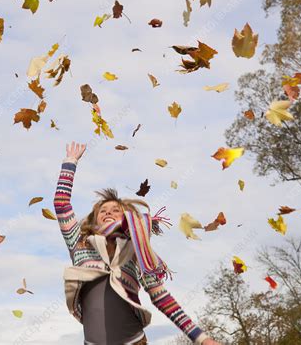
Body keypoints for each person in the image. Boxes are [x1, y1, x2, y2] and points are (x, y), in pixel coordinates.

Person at [54, 141, 221, 345]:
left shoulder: (136, 251)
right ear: (95, 219)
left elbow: (162, 299)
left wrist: (202, 338)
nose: (108, 213)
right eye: (103, 211)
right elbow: (61, 204)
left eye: (115, 210)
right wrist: (70, 162)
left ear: (126, 218)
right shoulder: (79, 242)